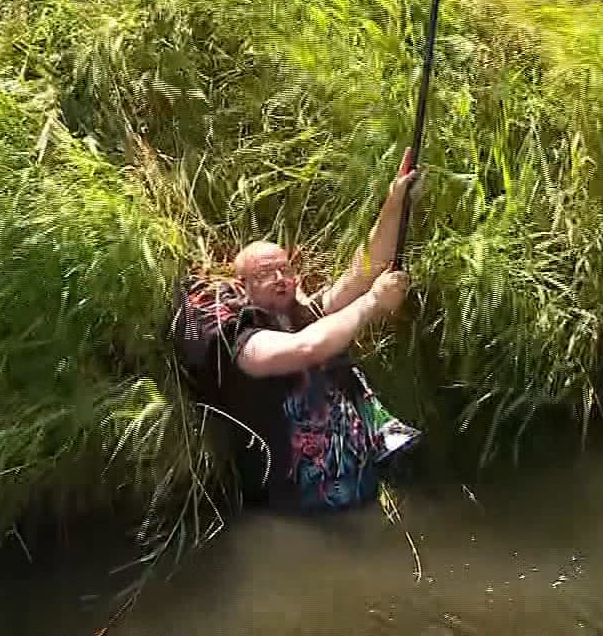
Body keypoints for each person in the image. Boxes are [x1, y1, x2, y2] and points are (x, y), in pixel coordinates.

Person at [173, 149, 427, 513]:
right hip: (296, 507)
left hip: (358, 487)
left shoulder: (306, 315)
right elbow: (302, 350)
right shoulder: (235, 338)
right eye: (264, 274)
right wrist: (372, 304)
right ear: (241, 286)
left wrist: (395, 201)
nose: (279, 279)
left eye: (285, 270)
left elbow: (368, 265)